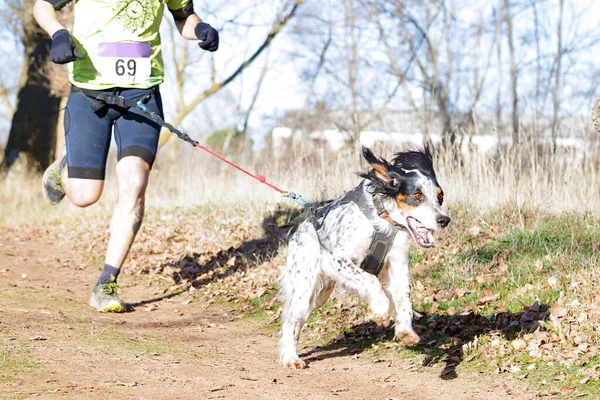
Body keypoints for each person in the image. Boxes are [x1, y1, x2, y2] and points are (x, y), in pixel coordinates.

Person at [33, 0, 219, 312]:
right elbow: (42, 6)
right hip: (89, 93)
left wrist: (200, 28)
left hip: (142, 94)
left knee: (135, 183)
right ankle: (65, 167)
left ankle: (107, 282)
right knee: (84, 196)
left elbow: (183, 17)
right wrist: (59, 33)